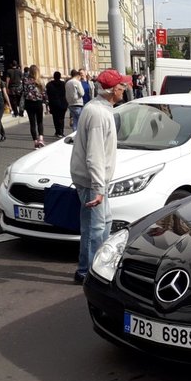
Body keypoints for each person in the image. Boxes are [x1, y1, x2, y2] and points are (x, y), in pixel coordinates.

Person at [69, 68, 131, 284]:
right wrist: (98, 187)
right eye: (122, 86)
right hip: (92, 181)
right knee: (98, 227)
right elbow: (95, 155)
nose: (125, 89)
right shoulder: (98, 113)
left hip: (91, 179)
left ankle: (86, 270)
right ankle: (94, 273)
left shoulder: (97, 109)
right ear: (113, 90)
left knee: (98, 224)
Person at [23, 64, 48, 148]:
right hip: (38, 103)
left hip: (29, 103)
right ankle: (41, 138)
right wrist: (46, 103)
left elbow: (23, 91)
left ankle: (35, 142)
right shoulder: (40, 81)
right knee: (40, 121)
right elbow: (44, 93)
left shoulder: (25, 80)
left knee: (32, 123)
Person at [46, 70, 67, 137]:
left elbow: (47, 94)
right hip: (62, 103)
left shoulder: (49, 84)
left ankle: (57, 131)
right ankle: (61, 131)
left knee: (55, 118)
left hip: (53, 104)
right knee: (62, 118)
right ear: (60, 77)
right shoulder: (63, 84)